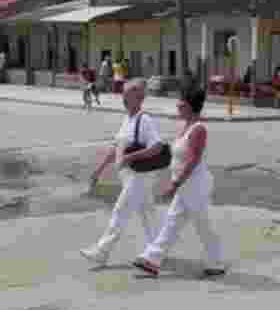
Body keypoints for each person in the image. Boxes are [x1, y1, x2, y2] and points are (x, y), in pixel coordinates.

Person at [134, 87, 224, 278]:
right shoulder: (186, 126)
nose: (177, 105)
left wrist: (175, 184)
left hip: (195, 185)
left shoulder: (198, 129)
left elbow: (193, 160)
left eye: (181, 102)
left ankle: (216, 262)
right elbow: (178, 157)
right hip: (186, 185)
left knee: (202, 225)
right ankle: (153, 259)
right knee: (173, 222)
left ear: (189, 106)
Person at [80, 79, 163, 266]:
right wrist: (99, 170)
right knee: (147, 213)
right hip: (128, 176)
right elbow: (116, 148)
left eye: (128, 96)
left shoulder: (144, 119)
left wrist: (131, 157)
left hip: (139, 176)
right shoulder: (127, 119)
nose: (124, 99)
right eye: (123, 96)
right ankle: (158, 250)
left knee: (120, 211)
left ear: (139, 98)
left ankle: (102, 251)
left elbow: (157, 146)